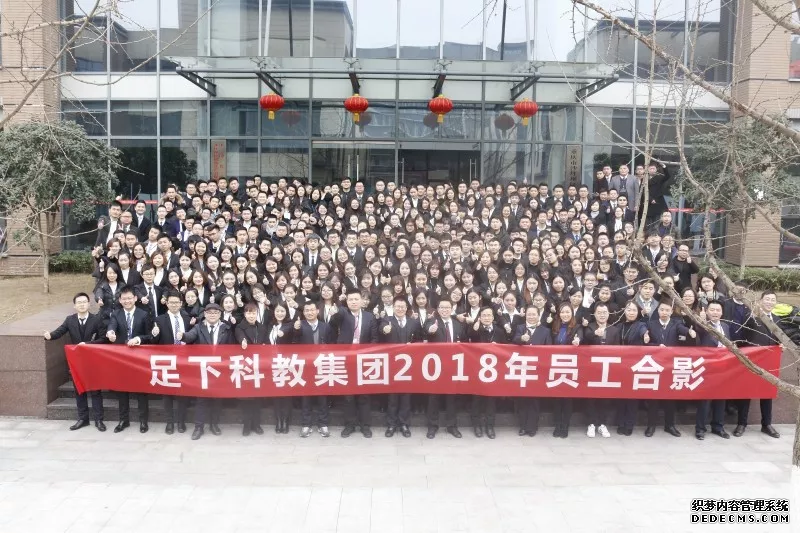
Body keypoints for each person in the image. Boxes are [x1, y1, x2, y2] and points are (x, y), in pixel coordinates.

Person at [44, 293, 106, 431]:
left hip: (93, 361)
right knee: (79, 390)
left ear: (89, 304)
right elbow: (60, 331)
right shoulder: (70, 320)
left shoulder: (97, 319)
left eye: (84, 302)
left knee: (95, 391)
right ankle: (83, 419)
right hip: (77, 361)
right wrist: (49, 336)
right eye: (79, 302)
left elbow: (103, 339)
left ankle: (99, 420)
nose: (82, 304)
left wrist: (88, 344)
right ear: (75, 306)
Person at [181, 302, 233, 440]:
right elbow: (190, 336)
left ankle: (214, 424)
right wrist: (182, 336)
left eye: (215, 313)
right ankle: (199, 427)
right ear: (205, 314)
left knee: (217, 399)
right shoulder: (198, 327)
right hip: (203, 370)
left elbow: (231, 347)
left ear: (220, 314)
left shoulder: (226, 328)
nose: (212, 315)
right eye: (209, 313)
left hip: (220, 369)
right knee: (201, 399)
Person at [645, 298, 695, 438]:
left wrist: (689, 332)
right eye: (662, 310)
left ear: (671, 311)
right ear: (658, 311)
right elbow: (646, 344)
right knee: (653, 399)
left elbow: (683, 330)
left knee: (670, 398)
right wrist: (656, 346)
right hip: (655, 366)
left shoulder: (676, 323)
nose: (664, 312)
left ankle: (670, 425)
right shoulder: (651, 324)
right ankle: (651, 426)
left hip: (671, 366)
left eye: (667, 310)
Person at [331, 289, 378, 438]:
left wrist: (368, 353)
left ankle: (365, 426)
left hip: (364, 360)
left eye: (356, 299)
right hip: (347, 360)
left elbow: (374, 338)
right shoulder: (343, 314)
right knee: (348, 395)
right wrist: (336, 311)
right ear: (347, 301)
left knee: (364, 395)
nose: (354, 302)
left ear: (362, 301)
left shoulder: (370, 317)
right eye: (350, 299)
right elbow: (333, 323)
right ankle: (349, 425)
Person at [105, 286, 152, 433]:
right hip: (122, 359)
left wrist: (138, 339)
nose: (127, 301)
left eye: (129, 298)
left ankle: (143, 421)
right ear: (119, 300)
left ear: (135, 298)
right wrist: (110, 332)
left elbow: (150, 336)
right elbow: (112, 327)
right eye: (124, 299)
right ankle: (123, 420)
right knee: (122, 390)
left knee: (141, 391)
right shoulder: (116, 314)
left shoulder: (144, 314)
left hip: (139, 359)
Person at [738, 291, 782, 438]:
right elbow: (742, 337)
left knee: (767, 393)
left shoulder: (777, 320)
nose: (769, 302)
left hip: (770, 362)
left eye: (772, 300)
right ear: (761, 301)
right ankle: (741, 423)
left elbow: (779, 339)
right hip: (752, 361)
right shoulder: (752, 317)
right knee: (746, 392)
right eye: (767, 299)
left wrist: (781, 346)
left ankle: (766, 424)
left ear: (775, 303)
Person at [149, 290, 193, 434]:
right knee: (167, 393)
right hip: (166, 360)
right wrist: (154, 334)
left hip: (183, 360)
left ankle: (181, 422)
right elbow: (154, 341)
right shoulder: (159, 319)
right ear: (167, 303)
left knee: (183, 393)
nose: (174, 305)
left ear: (181, 304)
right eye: (171, 302)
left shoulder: (187, 319)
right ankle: (169, 422)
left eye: (176, 302)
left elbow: (192, 338)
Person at [378, 297, 421, 438]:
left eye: (403, 306)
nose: (400, 309)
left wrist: (413, 346)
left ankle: (404, 424)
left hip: (408, 366)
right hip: (392, 364)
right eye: (397, 306)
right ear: (393, 307)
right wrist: (385, 330)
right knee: (392, 397)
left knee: (406, 396)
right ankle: (391, 424)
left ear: (406, 308)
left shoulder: (413, 322)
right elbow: (381, 330)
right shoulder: (387, 320)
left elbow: (420, 340)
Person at [425, 298, 463, 439]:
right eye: (442, 307)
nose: (445, 310)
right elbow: (426, 330)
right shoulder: (432, 321)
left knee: (451, 397)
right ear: (438, 309)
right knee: (433, 397)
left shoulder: (457, 324)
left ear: (452, 309)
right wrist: (430, 330)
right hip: (436, 366)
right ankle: (432, 426)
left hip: (453, 366)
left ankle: (452, 426)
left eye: (447, 307)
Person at [467, 306, 507, 439]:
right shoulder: (475, 329)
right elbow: (469, 339)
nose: (486, 318)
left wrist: (498, 347)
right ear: (479, 317)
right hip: (477, 370)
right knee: (476, 400)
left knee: (491, 400)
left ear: (493, 317)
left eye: (489, 315)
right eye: (484, 315)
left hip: (493, 372)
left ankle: (490, 426)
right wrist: (475, 328)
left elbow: (506, 349)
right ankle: (476, 425)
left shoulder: (499, 331)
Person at [512, 306, 552, 436]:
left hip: (537, 370)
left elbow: (549, 349)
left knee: (534, 400)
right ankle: (522, 426)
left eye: (534, 314)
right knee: (522, 399)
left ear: (538, 315)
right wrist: (521, 339)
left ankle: (532, 427)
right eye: (529, 314)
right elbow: (514, 340)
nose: (531, 316)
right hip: (522, 369)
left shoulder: (545, 331)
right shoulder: (520, 328)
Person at [694, 300, 730, 440]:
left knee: (721, 399)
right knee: (705, 400)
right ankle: (700, 429)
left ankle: (718, 427)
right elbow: (698, 330)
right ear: (707, 312)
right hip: (707, 369)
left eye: (718, 310)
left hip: (724, 369)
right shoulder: (704, 325)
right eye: (712, 310)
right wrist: (702, 321)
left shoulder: (725, 326)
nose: (715, 312)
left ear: (722, 312)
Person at [295, 300, 332, 438]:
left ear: (317, 311)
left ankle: (323, 424)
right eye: (307, 310)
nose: (309, 312)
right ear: (303, 313)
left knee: (323, 397)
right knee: (306, 397)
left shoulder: (325, 326)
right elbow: (293, 343)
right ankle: (306, 424)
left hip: (322, 366)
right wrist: (295, 329)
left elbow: (331, 344)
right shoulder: (299, 325)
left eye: (312, 310)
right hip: (305, 367)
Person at [582, 302, 618, 438]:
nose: (602, 315)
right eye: (599, 313)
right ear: (594, 314)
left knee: (605, 398)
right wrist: (595, 335)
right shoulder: (589, 327)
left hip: (608, 370)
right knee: (590, 398)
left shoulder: (614, 329)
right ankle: (591, 423)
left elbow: (619, 350)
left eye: (604, 313)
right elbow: (585, 341)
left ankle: (602, 424)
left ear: (608, 314)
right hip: (591, 369)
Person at [235, 303, 269, 436]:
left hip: (259, 365)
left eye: (253, 313)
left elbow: (266, 342)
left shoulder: (262, 327)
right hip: (246, 366)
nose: (251, 315)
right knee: (247, 398)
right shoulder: (240, 327)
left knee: (257, 397)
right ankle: (247, 425)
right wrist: (243, 341)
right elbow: (240, 336)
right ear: (245, 314)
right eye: (249, 313)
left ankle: (257, 424)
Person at [550, 302, 583, 438]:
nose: (565, 314)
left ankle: (565, 426)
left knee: (567, 399)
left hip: (570, 367)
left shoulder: (577, 327)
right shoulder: (555, 326)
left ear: (572, 313)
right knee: (557, 399)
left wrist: (577, 341)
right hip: (556, 366)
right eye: (562, 312)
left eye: (567, 312)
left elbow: (580, 336)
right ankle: (557, 425)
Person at [266, 302, 296, 434]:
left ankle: (286, 421)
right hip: (272, 363)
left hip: (286, 363)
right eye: (277, 311)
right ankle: (278, 420)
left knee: (286, 394)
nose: (280, 313)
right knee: (276, 394)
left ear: (286, 312)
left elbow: (292, 333)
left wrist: (283, 333)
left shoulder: (290, 325)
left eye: (282, 311)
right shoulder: (270, 325)